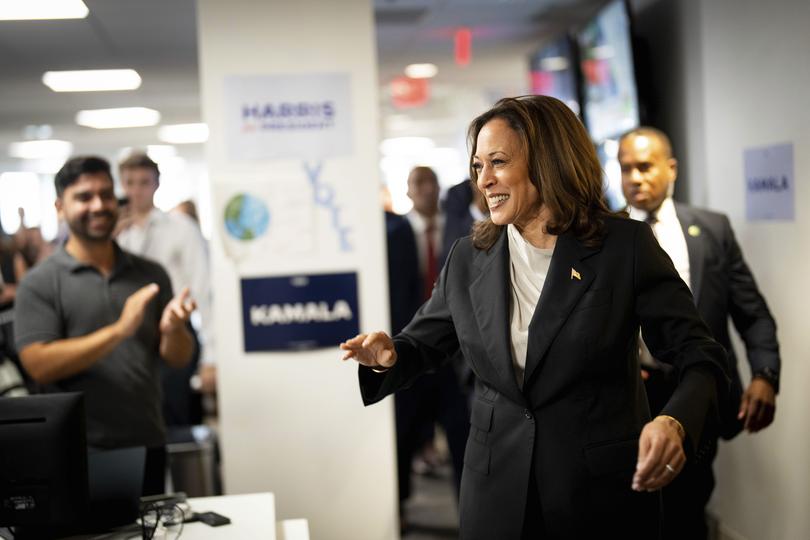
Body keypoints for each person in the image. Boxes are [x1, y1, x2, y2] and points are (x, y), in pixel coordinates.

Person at [340, 95, 729, 539]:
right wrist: (388, 355)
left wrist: (674, 421)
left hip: (599, 499)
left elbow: (702, 357)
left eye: (498, 162)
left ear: (547, 162)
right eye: (477, 167)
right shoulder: (470, 257)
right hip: (495, 495)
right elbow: (423, 343)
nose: (483, 181)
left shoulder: (625, 247)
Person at [618, 126, 781, 539]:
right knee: (632, 510)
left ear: (670, 168)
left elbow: (752, 312)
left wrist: (765, 375)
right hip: (629, 395)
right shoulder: (604, 233)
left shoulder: (712, 230)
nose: (634, 178)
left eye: (644, 167)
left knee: (688, 508)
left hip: (696, 391)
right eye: (625, 169)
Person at [14, 156, 196, 495]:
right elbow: (38, 364)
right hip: (77, 450)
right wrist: (118, 331)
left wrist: (175, 330)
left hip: (146, 440)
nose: (98, 205)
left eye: (106, 194)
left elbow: (177, 358)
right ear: (60, 206)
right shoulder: (41, 283)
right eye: (84, 197)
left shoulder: (149, 273)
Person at [393, 167, 470, 519]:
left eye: (431, 183)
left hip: (453, 357)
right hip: (410, 351)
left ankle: (467, 509)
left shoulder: (460, 230)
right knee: (403, 437)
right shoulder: (392, 233)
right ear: (408, 192)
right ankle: (400, 511)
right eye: (418, 184)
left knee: (460, 435)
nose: (426, 190)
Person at [116, 153, 216, 422]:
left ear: (156, 185)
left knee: (174, 417)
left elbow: (203, 291)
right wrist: (112, 239)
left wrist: (211, 357)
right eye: (130, 183)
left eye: (144, 182)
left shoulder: (180, 228)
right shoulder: (114, 235)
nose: (137, 190)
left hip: (176, 332)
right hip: (130, 339)